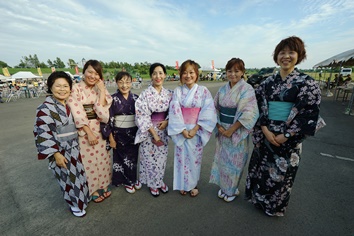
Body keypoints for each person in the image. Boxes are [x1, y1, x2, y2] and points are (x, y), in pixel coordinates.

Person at [245, 36, 325, 216]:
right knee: (263, 170)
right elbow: (256, 106)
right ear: (276, 56)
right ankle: (260, 201)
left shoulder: (307, 83)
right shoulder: (267, 83)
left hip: (289, 136)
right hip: (267, 133)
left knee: (283, 174)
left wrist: (287, 135)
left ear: (299, 56)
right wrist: (264, 129)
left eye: (291, 52)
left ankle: (275, 208)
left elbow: (309, 114)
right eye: (282, 52)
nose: (286, 56)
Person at [33, 71, 89, 217]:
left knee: (79, 176)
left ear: (70, 88)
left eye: (66, 86)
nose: (62, 89)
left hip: (75, 148)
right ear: (50, 87)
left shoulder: (70, 105)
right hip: (60, 150)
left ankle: (82, 200)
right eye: (58, 86)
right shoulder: (44, 109)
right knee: (67, 178)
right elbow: (42, 132)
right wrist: (56, 154)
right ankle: (74, 204)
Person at [209, 58, 259, 202]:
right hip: (222, 128)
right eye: (230, 71)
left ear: (242, 72)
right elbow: (214, 108)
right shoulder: (223, 89)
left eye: (237, 71)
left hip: (237, 130)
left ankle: (231, 190)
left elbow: (250, 112)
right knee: (223, 160)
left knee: (235, 162)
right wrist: (218, 126)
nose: (233, 74)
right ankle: (225, 188)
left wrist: (232, 129)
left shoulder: (247, 89)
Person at [168, 59, 217, 197]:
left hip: (197, 129)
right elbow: (175, 111)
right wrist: (182, 130)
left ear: (196, 74)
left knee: (194, 159)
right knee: (181, 159)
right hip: (181, 129)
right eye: (184, 73)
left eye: (191, 72)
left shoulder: (203, 91)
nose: (188, 76)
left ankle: (193, 184)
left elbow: (208, 110)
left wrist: (196, 129)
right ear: (181, 75)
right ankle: (183, 185)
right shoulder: (177, 91)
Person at [67, 60, 113, 203]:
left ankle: (104, 184)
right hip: (85, 129)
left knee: (103, 159)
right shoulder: (75, 88)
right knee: (89, 161)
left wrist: (101, 91)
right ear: (84, 71)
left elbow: (104, 115)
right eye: (90, 72)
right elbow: (77, 112)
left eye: (96, 73)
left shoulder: (101, 89)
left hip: (100, 128)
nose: (93, 76)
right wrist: (88, 132)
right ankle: (92, 189)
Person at [134, 63, 173, 197]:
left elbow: (174, 111)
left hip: (164, 129)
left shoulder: (169, 94)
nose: (158, 76)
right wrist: (154, 134)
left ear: (165, 75)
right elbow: (142, 114)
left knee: (161, 159)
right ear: (151, 76)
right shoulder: (145, 94)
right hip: (149, 130)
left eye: (161, 73)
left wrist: (167, 121)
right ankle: (152, 184)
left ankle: (159, 180)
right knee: (149, 159)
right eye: (155, 73)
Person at [101, 71, 141, 194]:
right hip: (118, 134)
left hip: (133, 134)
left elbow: (141, 117)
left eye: (127, 82)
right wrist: (111, 138)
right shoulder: (112, 99)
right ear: (116, 83)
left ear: (131, 82)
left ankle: (132, 179)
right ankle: (127, 181)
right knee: (121, 158)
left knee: (133, 158)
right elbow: (107, 119)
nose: (124, 85)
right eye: (121, 82)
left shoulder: (136, 98)